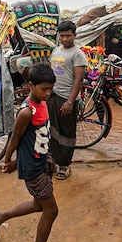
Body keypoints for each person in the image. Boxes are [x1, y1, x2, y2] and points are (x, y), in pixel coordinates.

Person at [0, 64, 62, 242]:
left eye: (50, 89)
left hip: (42, 161)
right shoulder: (26, 111)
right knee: (51, 210)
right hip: (33, 168)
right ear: (31, 86)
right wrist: (9, 161)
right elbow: (16, 138)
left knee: (39, 205)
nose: (48, 93)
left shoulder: (42, 104)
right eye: (44, 89)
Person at [47, 20, 86, 180]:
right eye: (62, 36)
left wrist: (70, 101)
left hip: (67, 98)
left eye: (68, 36)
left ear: (74, 35)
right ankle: (54, 160)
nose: (64, 39)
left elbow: (78, 80)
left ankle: (65, 165)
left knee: (67, 132)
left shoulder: (78, 54)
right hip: (54, 96)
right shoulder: (56, 51)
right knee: (53, 130)